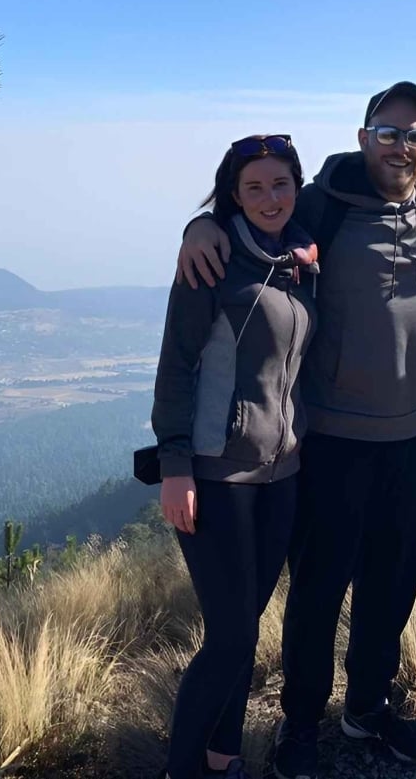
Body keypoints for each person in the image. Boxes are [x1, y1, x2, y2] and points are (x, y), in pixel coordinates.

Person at [178, 82, 416, 778]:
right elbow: (250, 218)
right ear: (364, 138)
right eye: (387, 132)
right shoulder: (322, 202)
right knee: (319, 590)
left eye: (414, 134)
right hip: (332, 436)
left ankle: (368, 709)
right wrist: (199, 225)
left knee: (392, 584)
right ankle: (301, 722)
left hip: (410, 434)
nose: (401, 145)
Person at [152, 135, 319, 779]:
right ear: (233, 194)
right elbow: (176, 365)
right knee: (229, 638)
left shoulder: (301, 255)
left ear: (296, 187)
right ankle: (182, 769)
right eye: (254, 187)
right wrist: (175, 466)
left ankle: (223, 757)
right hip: (216, 471)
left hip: (283, 473)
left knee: (244, 627)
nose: (269, 198)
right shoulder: (212, 259)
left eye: (280, 184)